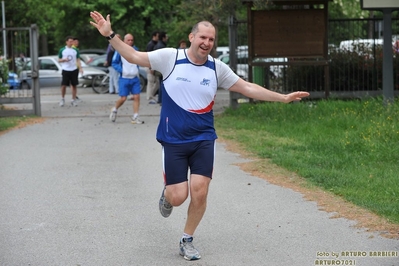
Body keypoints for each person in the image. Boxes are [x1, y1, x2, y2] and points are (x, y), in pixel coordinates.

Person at [90, 11, 309, 261]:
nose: (207, 43)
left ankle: (187, 239)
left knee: (200, 191)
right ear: (192, 37)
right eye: (203, 37)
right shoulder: (170, 58)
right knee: (178, 196)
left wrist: (281, 97)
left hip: (204, 139)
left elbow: (247, 87)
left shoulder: (217, 67)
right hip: (173, 140)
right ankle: (167, 195)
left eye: (211, 39)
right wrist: (109, 35)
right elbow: (133, 55)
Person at [109, 33, 144, 124]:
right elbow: (114, 63)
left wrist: (137, 69)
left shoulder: (135, 50)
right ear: (124, 40)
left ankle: (135, 116)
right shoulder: (119, 51)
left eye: (132, 40)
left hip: (134, 78)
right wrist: (122, 70)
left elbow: (139, 59)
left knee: (137, 97)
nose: (130, 41)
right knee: (123, 98)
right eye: (128, 40)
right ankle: (115, 109)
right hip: (124, 78)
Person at [58, 36, 83, 107]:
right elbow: (59, 59)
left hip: (74, 69)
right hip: (66, 69)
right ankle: (62, 98)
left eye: (72, 41)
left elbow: (78, 59)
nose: (71, 43)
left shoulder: (75, 50)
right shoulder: (62, 50)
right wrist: (63, 60)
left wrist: (80, 68)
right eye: (70, 41)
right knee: (64, 85)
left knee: (74, 85)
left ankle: (73, 99)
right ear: (66, 42)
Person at [153, 31, 168, 105]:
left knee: (160, 83)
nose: (167, 38)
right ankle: (161, 100)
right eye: (166, 37)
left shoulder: (157, 45)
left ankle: (159, 99)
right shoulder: (162, 46)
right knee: (163, 84)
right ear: (163, 37)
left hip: (157, 67)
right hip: (161, 68)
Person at [146, 31, 160, 104]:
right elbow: (148, 56)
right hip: (150, 66)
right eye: (157, 36)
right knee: (151, 82)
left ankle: (152, 95)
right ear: (154, 36)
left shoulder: (156, 44)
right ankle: (149, 97)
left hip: (154, 66)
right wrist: (150, 67)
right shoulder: (150, 45)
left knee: (157, 82)